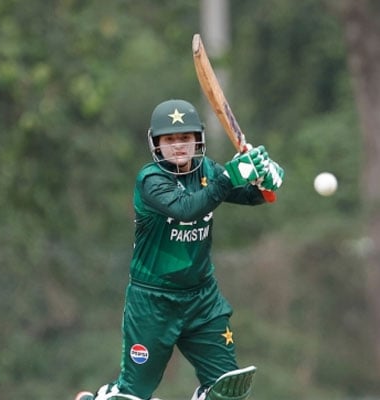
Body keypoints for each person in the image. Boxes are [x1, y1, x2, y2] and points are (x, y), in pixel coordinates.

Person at [75, 99, 284, 400]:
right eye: (169, 139)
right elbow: (187, 208)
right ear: (155, 143)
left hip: (202, 299)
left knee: (229, 390)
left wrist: (266, 178)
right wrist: (230, 177)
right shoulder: (150, 180)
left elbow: (252, 196)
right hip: (153, 301)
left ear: (197, 139)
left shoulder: (208, 171)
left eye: (185, 138)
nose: (178, 146)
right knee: (134, 394)